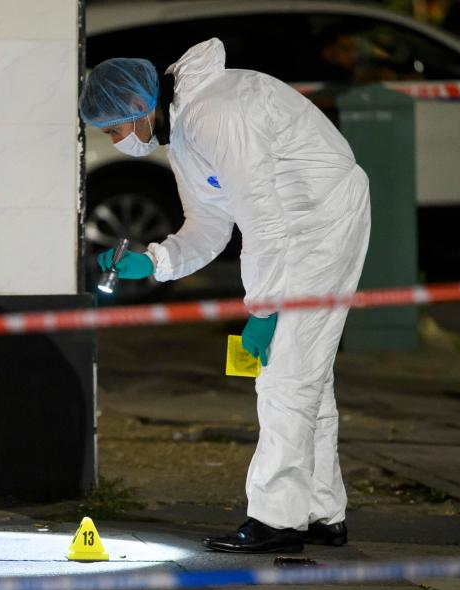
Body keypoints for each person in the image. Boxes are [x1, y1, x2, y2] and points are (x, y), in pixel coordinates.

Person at [81, 39, 371, 553]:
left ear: (138, 108)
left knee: (285, 376)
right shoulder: (186, 132)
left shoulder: (214, 114)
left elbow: (263, 221)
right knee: (306, 374)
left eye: (113, 130)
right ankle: (322, 512)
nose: (116, 141)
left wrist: (263, 312)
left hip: (320, 221)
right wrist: (153, 260)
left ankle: (278, 521)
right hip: (297, 223)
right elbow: (212, 223)